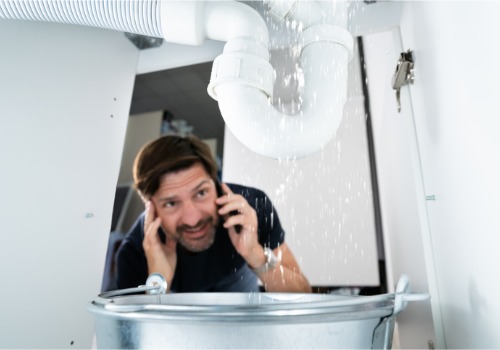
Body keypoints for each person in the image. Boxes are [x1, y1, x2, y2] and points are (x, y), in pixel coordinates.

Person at [114, 135, 311, 293]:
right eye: (171, 203)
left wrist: (255, 255)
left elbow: (303, 294)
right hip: (175, 289)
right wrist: (159, 281)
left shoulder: (253, 208)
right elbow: (136, 339)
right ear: (151, 207)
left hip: (236, 274)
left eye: (201, 193)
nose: (193, 219)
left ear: (216, 183)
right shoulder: (134, 251)